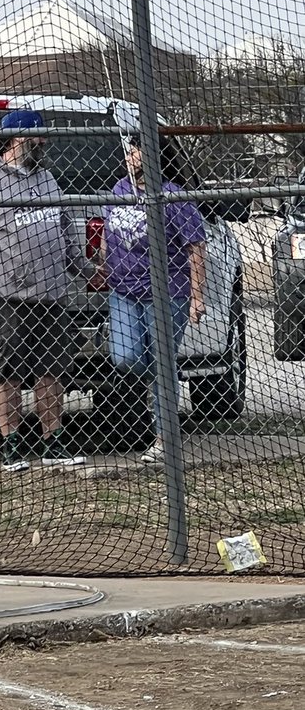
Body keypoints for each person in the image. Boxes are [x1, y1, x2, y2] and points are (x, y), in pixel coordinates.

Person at [0, 109, 86, 472]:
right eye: (38, 136)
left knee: (51, 370)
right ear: (16, 138)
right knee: (6, 371)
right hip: (4, 295)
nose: (44, 142)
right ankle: (11, 445)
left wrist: (82, 267)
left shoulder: (47, 178)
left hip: (52, 293)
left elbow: (64, 227)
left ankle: (53, 441)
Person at [95, 134, 207, 464]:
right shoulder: (118, 191)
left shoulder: (174, 197)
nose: (130, 157)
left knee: (163, 362)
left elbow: (196, 248)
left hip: (167, 292)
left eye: (136, 151)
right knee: (125, 356)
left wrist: (197, 297)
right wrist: (102, 265)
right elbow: (106, 233)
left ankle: (163, 438)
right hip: (123, 290)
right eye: (129, 151)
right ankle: (160, 380)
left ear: (154, 158)